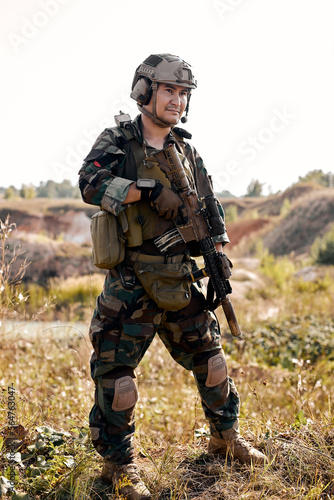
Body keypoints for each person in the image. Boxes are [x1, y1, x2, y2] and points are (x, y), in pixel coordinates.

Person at [79, 53, 267, 500]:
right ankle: (119, 465)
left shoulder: (185, 149)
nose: (177, 101)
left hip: (180, 278)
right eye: (169, 90)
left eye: (184, 93)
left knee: (214, 362)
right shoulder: (119, 141)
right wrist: (145, 190)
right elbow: (89, 182)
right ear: (145, 91)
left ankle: (225, 439)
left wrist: (218, 254)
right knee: (117, 378)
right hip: (132, 284)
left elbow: (210, 206)